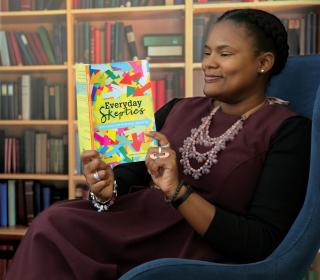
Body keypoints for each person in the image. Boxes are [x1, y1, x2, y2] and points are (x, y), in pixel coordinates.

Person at [7, 8, 311, 280]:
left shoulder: (288, 131)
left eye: (224, 54)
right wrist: (108, 186)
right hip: (137, 224)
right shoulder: (179, 108)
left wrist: (177, 191)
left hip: (194, 245)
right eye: (206, 53)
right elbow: (135, 170)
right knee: (53, 222)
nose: (209, 63)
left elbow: (262, 241)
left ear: (263, 62)